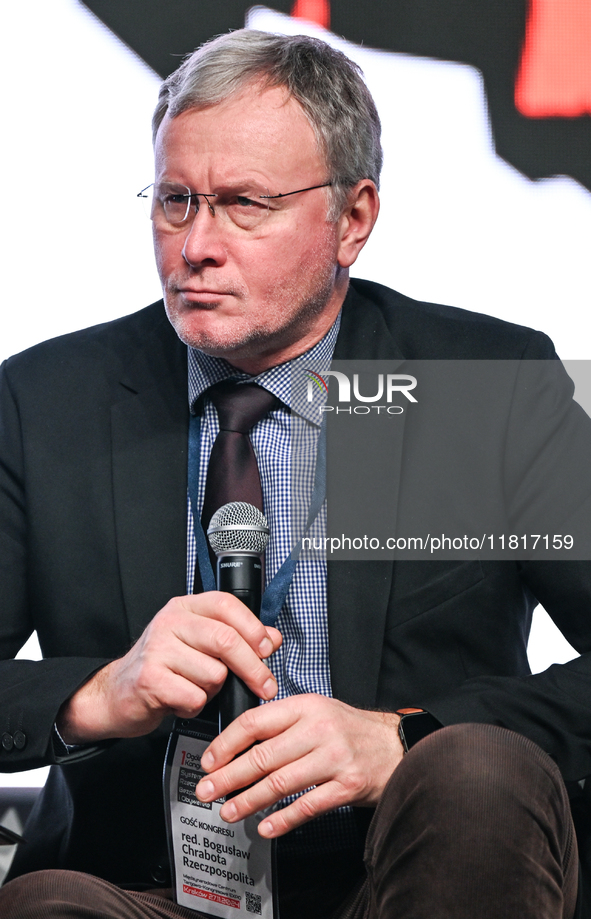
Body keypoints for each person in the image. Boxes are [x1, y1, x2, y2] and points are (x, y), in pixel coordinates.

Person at [0, 28, 589, 919]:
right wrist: (96, 693)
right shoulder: (46, 398)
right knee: (49, 905)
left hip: (409, 870)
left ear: (352, 219)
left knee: (471, 768)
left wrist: (402, 738)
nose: (195, 244)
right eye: (174, 200)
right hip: (148, 884)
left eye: (243, 204)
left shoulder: (476, 387)